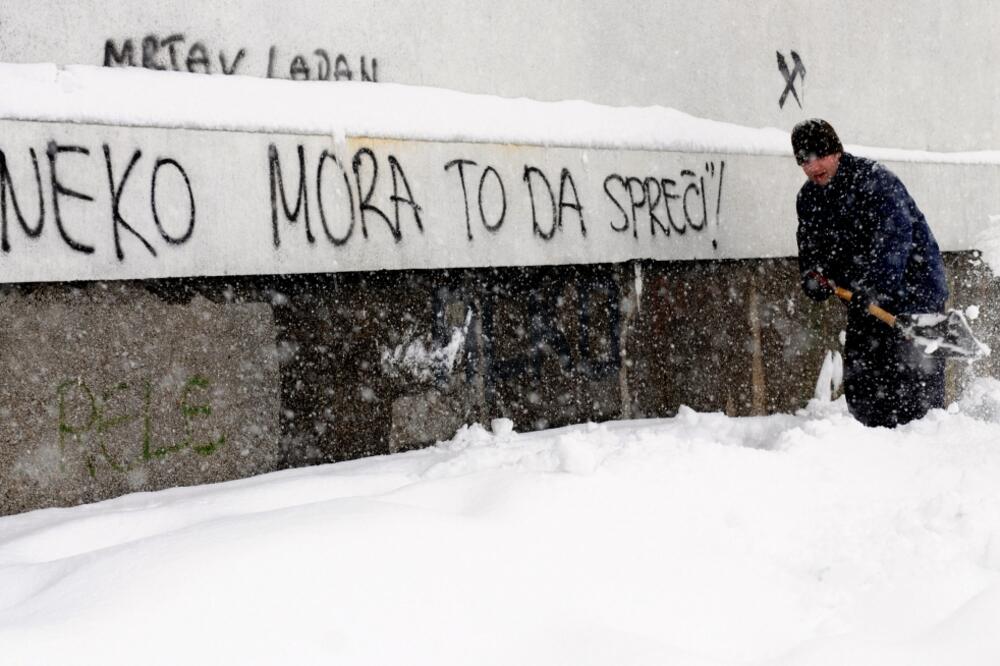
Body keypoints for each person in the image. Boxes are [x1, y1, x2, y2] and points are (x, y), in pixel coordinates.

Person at [792, 118, 949, 427]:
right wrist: (813, 277)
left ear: (836, 152)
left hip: (915, 296)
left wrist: (875, 286)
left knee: (915, 399)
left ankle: (925, 447)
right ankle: (870, 444)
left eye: (819, 156)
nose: (813, 166)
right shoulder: (809, 199)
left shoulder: (875, 182)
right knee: (865, 391)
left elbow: (895, 241)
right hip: (864, 301)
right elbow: (811, 250)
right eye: (804, 160)